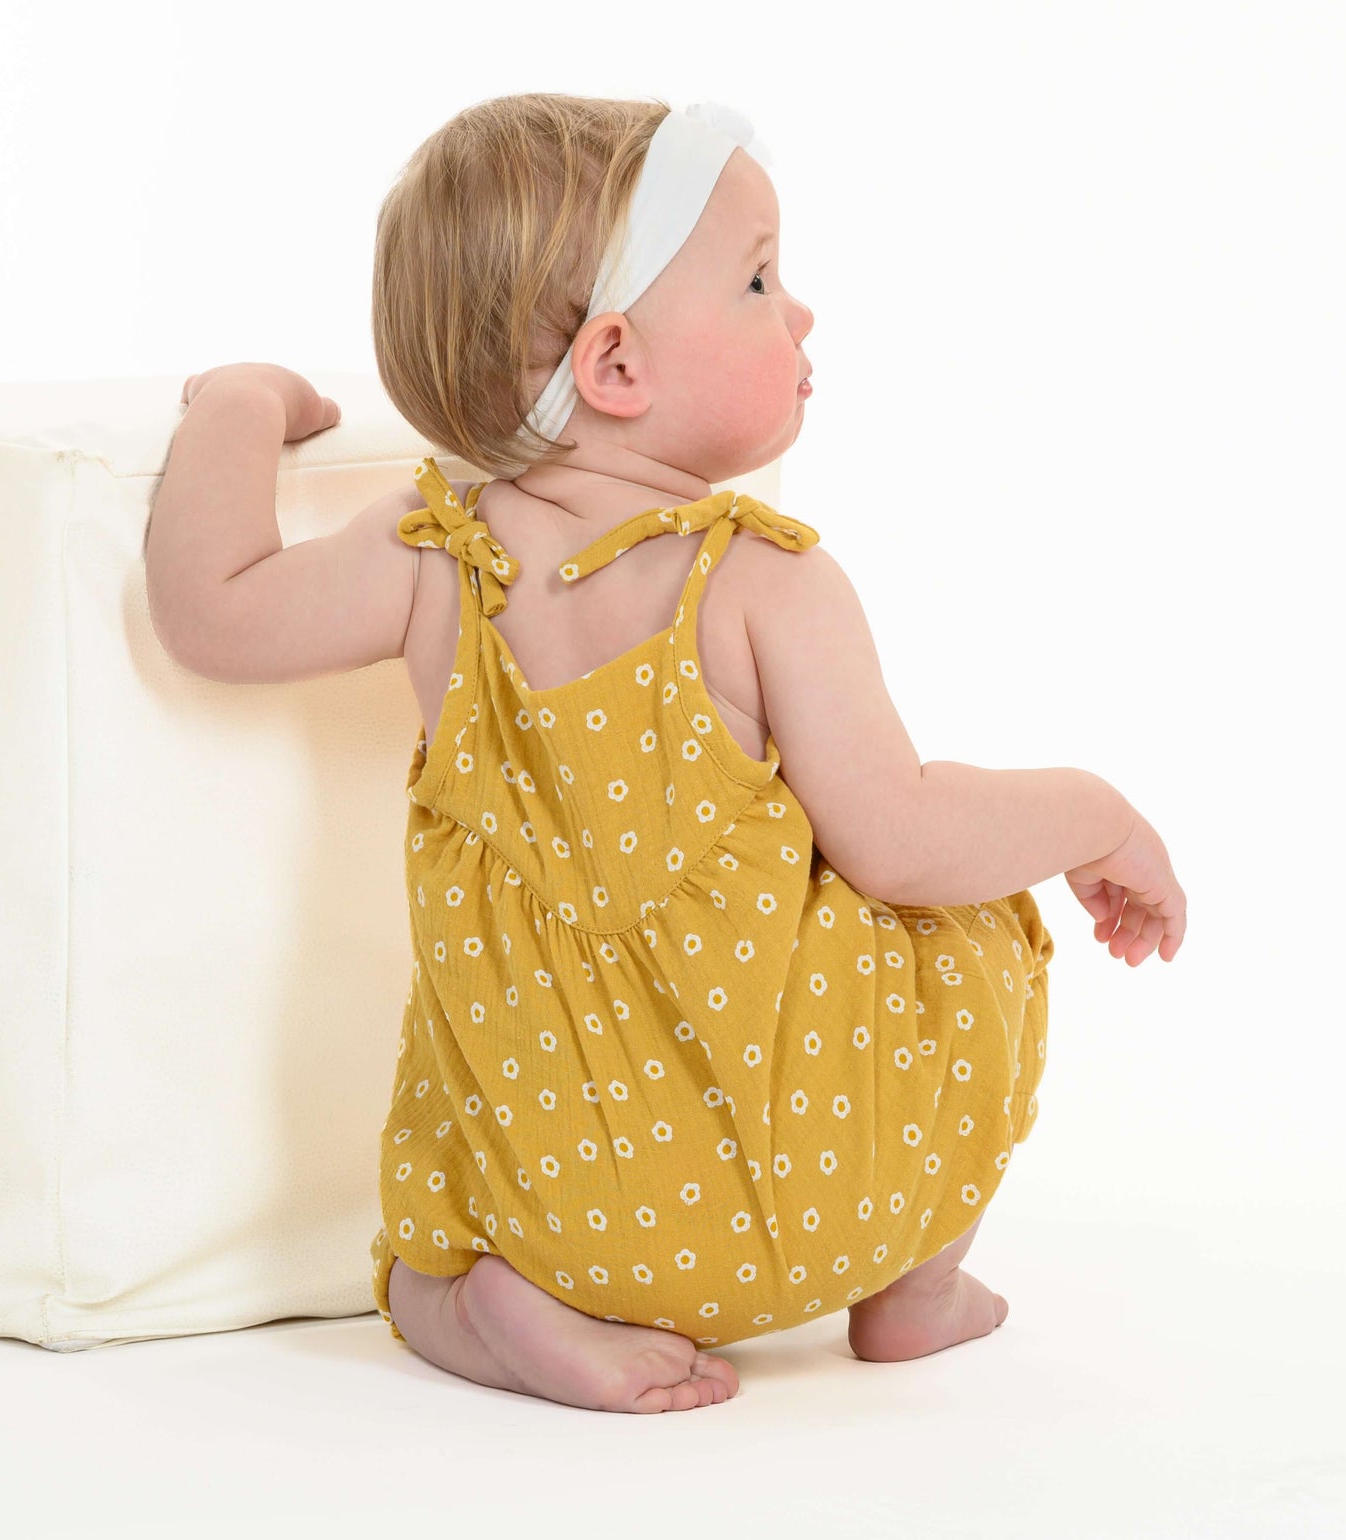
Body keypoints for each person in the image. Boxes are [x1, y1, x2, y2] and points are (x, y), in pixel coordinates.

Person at [358, 93, 1187, 1414]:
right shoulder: (759, 583)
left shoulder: (427, 563)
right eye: (757, 280)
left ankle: (481, 1305)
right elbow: (904, 840)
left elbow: (208, 612)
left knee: (413, 1257)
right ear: (617, 366)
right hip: (815, 1200)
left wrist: (235, 408)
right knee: (976, 928)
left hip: (557, 1211)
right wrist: (1097, 815)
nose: (799, 312)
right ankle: (914, 1287)